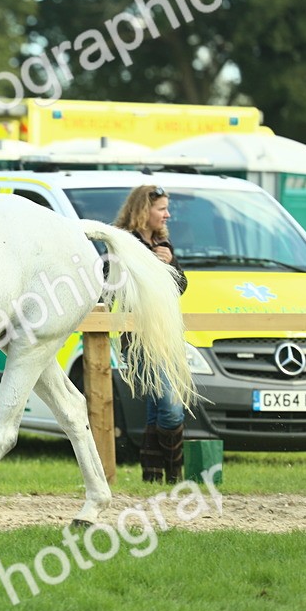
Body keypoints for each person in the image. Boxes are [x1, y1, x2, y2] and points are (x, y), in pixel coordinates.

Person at [114, 184, 189, 484]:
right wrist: (147, 264)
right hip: (140, 337)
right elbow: (113, 282)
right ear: (144, 210)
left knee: (158, 407)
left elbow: (181, 286)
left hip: (166, 332)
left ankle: (153, 475)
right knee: (171, 406)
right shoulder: (123, 243)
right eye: (162, 209)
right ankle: (175, 474)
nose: (167, 215)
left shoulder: (164, 244)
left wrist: (170, 265)